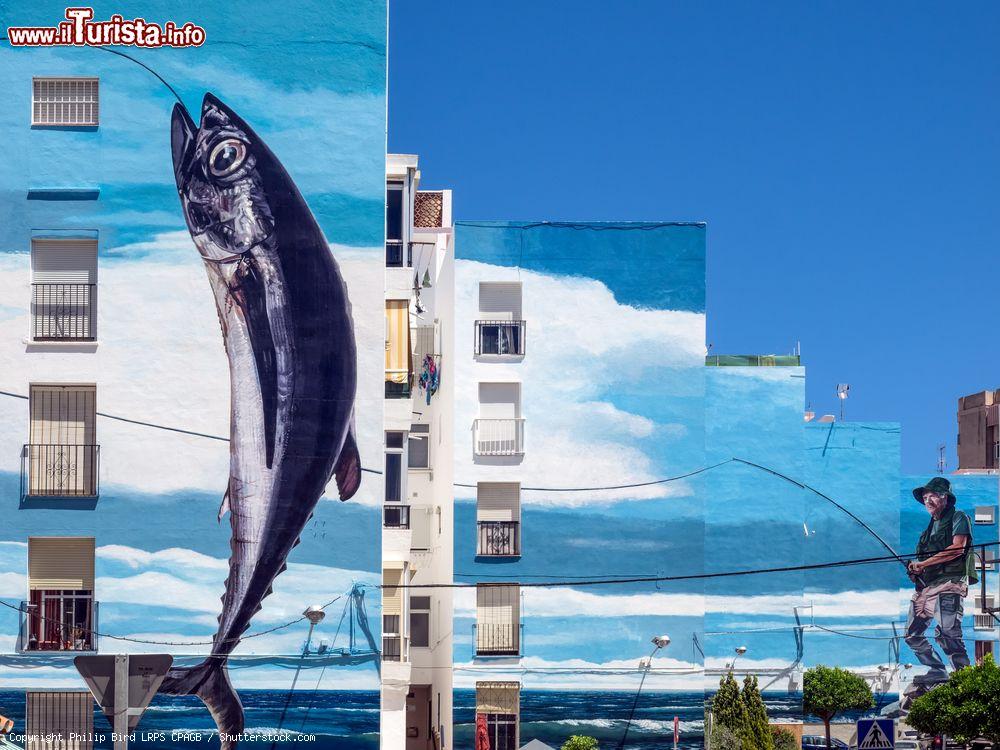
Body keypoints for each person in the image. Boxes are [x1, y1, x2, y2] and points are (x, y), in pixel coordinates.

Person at [901, 476, 975, 709]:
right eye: (924, 497)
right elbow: (923, 564)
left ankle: (965, 679)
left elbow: (957, 549)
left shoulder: (958, 517)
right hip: (927, 587)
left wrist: (922, 564)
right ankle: (936, 669)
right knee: (912, 634)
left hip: (950, 583)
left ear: (944, 497)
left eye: (932, 495)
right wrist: (915, 571)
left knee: (947, 634)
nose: (928, 500)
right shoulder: (927, 530)